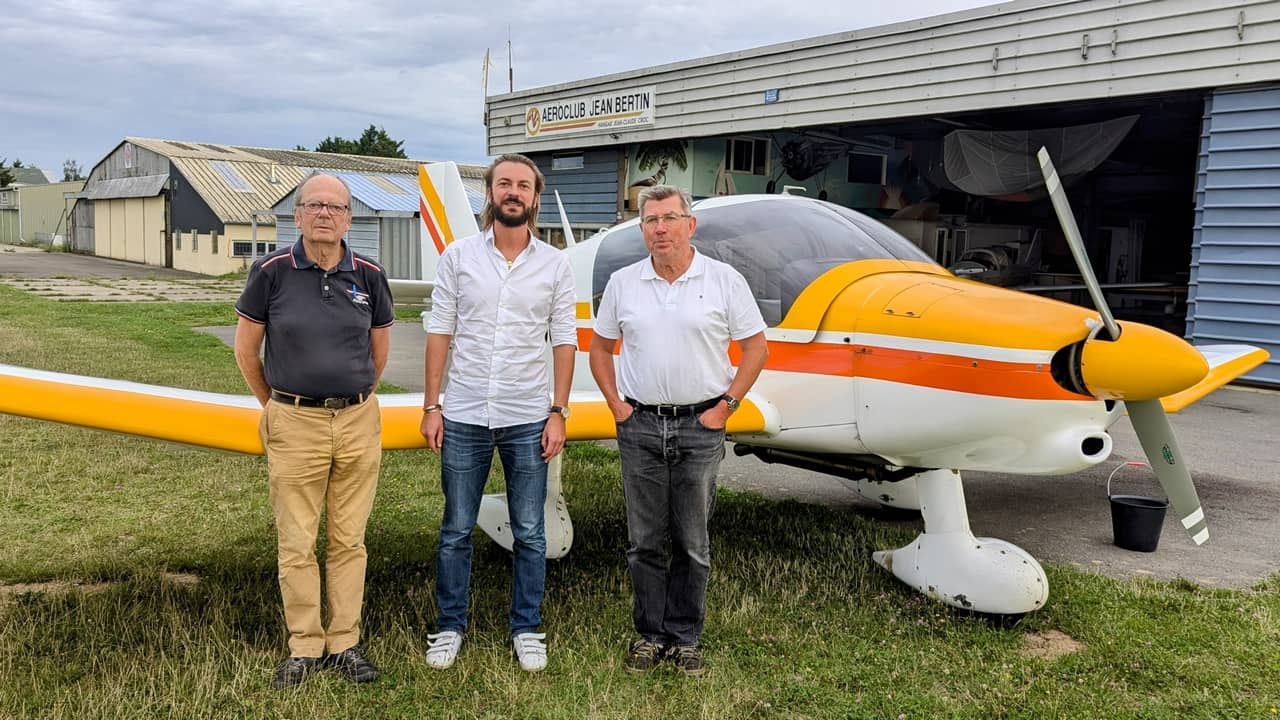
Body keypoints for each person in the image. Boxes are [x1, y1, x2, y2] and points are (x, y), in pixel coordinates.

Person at [588, 185, 768, 677]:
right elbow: (600, 349)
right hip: (640, 424)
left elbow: (756, 349)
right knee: (644, 540)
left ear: (691, 225)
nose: (661, 228)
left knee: (692, 541)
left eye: (670, 218)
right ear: (642, 228)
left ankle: (686, 638)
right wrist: (616, 404)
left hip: (700, 425)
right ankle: (649, 635)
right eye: (651, 220)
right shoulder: (625, 283)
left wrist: (726, 407)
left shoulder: (724, 280)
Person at [233, 173, 393, 689]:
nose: (325, 214)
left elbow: (378, 353)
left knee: (349, 541)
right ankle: (304, 644)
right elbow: (246, 350)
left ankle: (345, 641)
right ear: (298, 215)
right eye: (314, 205)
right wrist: (279, 406)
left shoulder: (369, 275)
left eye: (336, 207)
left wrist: (353, 396)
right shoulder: (271, 272)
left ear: (349, 219)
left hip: (357, 421)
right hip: (293, 420)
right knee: (297, 542)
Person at [419, 153, 576, 673]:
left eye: (523, 185)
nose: (513, 192)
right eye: (504, 183)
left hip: (529, 413)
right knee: (456, 529)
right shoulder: (460, 256)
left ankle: (527, 627)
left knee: (530, 530)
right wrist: (431, 405)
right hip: (463, 412)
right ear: (490, 193)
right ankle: (449, 625)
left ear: (534, 197)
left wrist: (558, 411)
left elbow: (565, 341)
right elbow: (440, 331)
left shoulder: (555, 265)